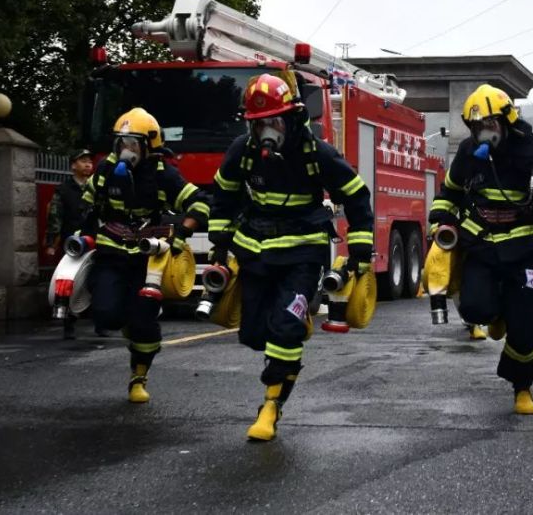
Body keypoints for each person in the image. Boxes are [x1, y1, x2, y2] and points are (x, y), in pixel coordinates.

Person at [208, 73, 374, 441]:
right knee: (253, 334)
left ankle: (270, 407)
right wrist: (220, 239)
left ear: (292, 118)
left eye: (274, 120)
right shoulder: (242, 151)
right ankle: (294, 324)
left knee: (283, 329)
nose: (267, 129)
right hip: (255, 251)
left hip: (302, 252)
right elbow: (224, 195)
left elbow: (357, 196)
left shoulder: (318, 153)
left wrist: (360, 247)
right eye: (259, 123)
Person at [428, 84, 533, 415]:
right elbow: (448, 194)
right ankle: (497, 313)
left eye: (488, 125)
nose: (483, 132)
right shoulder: (467, 152)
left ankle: (522, 388)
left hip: (528, 250)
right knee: (474, 309)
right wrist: (441, 222)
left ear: (505, 122)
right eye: (476, 127)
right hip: (482, 245)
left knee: (523, 326)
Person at [80, 108, 209, 403]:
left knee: (143, 324)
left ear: (149, 146)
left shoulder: (163, 174)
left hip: (148, 259)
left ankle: (138, 376)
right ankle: (125, 318)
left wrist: (182, 234)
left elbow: (200, 205)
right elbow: (86, 204)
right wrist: (81, 236)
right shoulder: (106, 171)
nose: (126, 151)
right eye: (121, 143)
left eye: (133, 144)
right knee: (105, 315)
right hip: (111, 253)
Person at [43, 149, 94, 339]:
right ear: (73, 165)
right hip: (71, 244)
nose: (88, 164)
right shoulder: (63, 190)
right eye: (83, 161)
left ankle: (99, 322)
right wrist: (51, 242)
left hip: (94, 240)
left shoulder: (96, 188)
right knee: (67, 282)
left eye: (90, 161)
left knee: (95, 278)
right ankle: (68, 323)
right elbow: (54, 217)